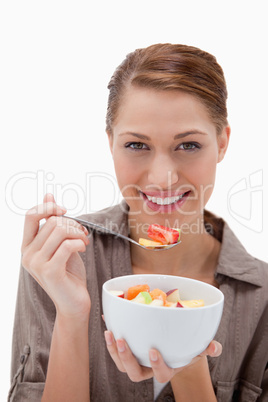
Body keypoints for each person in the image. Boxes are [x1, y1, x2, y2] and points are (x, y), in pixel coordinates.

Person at [9, 43, 268, 402]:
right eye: (136, 145)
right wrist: (71, 317)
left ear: (222, 143)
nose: (162, 178)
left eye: (188, 145)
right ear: (111, 143)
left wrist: (188, 362)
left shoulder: (263, 298)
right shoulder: (61, 262)